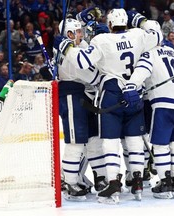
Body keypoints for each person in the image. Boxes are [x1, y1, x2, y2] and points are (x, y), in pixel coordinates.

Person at [59, 8, 163, 204]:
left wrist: (66, 48)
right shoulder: (138, 35)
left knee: (109, 140)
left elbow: (82, 61)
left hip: (112, 93)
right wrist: (141, 21)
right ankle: (138, 180)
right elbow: (157, 34)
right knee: (134, 139)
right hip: (134, 92)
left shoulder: (102, 40)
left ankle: (113, 181)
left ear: (108, 25)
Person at [123, 24, 174, 198]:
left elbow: (141, 73)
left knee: (161, 147)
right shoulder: (171, 52)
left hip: (164, 105)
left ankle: (165, 183)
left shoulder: (148, 54)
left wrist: (130, 87)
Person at [54, 17, 105, 201]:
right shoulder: (71, 54)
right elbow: (92, 75)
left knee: (93, 139)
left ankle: (100, 177)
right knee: (76, 142)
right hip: (72, 96)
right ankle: (70, 182)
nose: (81, 35)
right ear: (68, 34)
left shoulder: (73, 49)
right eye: (77, 32)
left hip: (84, 97)